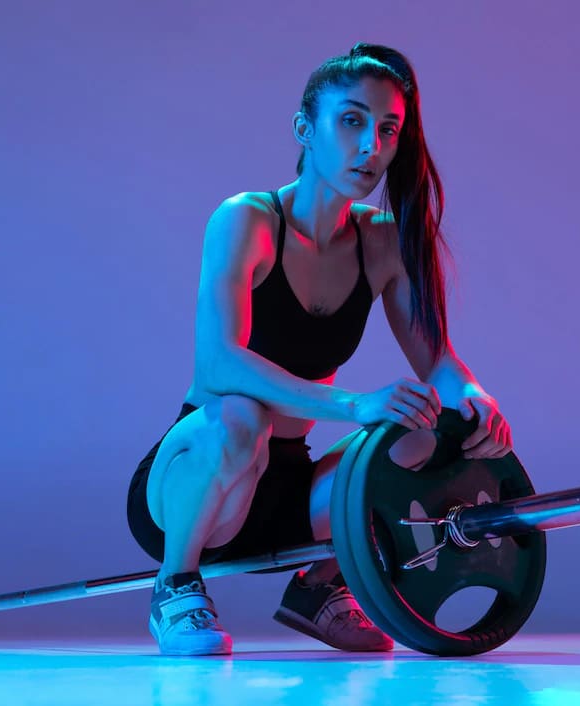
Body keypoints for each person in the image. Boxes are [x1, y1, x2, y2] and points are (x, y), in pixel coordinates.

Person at [126, 42, 513, 656]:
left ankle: (317, 587)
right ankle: (175, 583)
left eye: (387, 129)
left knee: (422, 428)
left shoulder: (381, 242)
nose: (371, 146)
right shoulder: (248, 219)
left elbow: (436, 360)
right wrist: (355, 404)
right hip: (199, 480)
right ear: (305, 128)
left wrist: (472, 395)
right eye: (352, 120)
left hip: (290, 494)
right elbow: (219, 363)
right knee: (240, 415)